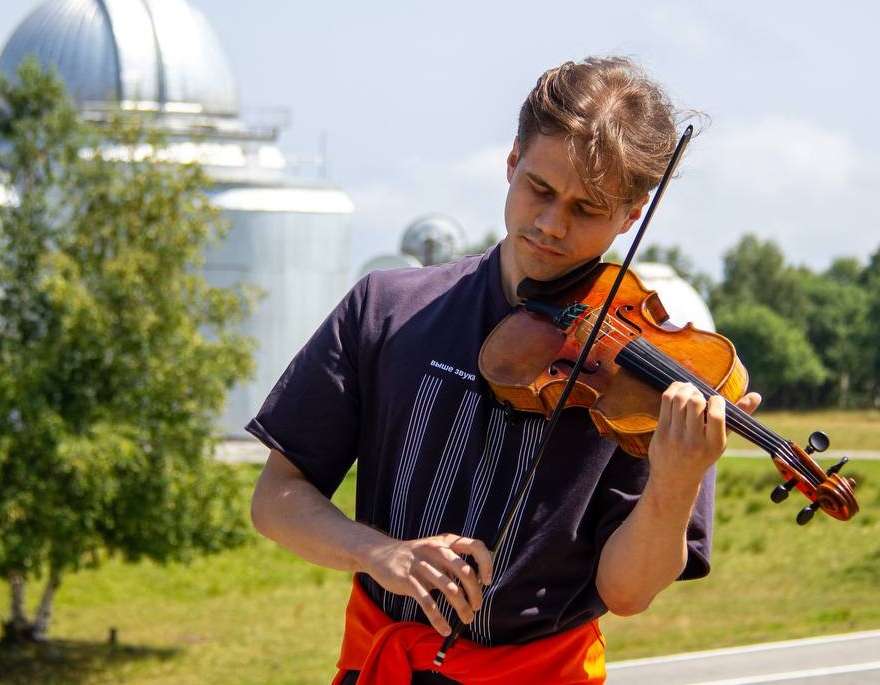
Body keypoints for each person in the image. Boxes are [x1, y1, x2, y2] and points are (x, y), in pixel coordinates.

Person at [247, 56, 762, 684]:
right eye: (540, 189)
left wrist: (677, 482)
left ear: (632, 216)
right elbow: (276, 499)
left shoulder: (656, 383)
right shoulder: (385, 307)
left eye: (588, 209)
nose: (551, 224)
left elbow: (627, 593)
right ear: (512, 161)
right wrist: (379, 553)